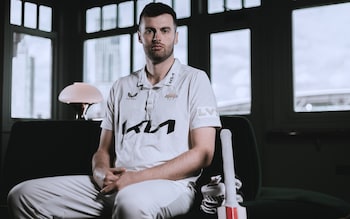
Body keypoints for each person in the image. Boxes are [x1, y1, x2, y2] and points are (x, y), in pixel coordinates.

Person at [7, 2, 221, 218]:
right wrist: (100, 173)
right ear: (139, 36)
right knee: (22, 195)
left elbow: (203, 154)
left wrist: (136, 178)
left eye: (165, 30)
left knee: (130, 202)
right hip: (116, 182)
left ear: (176, 36)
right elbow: (103, 150)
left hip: (170, 185)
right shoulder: (121, 86)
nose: (157, 37)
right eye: (150, 30)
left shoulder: (195, 79)